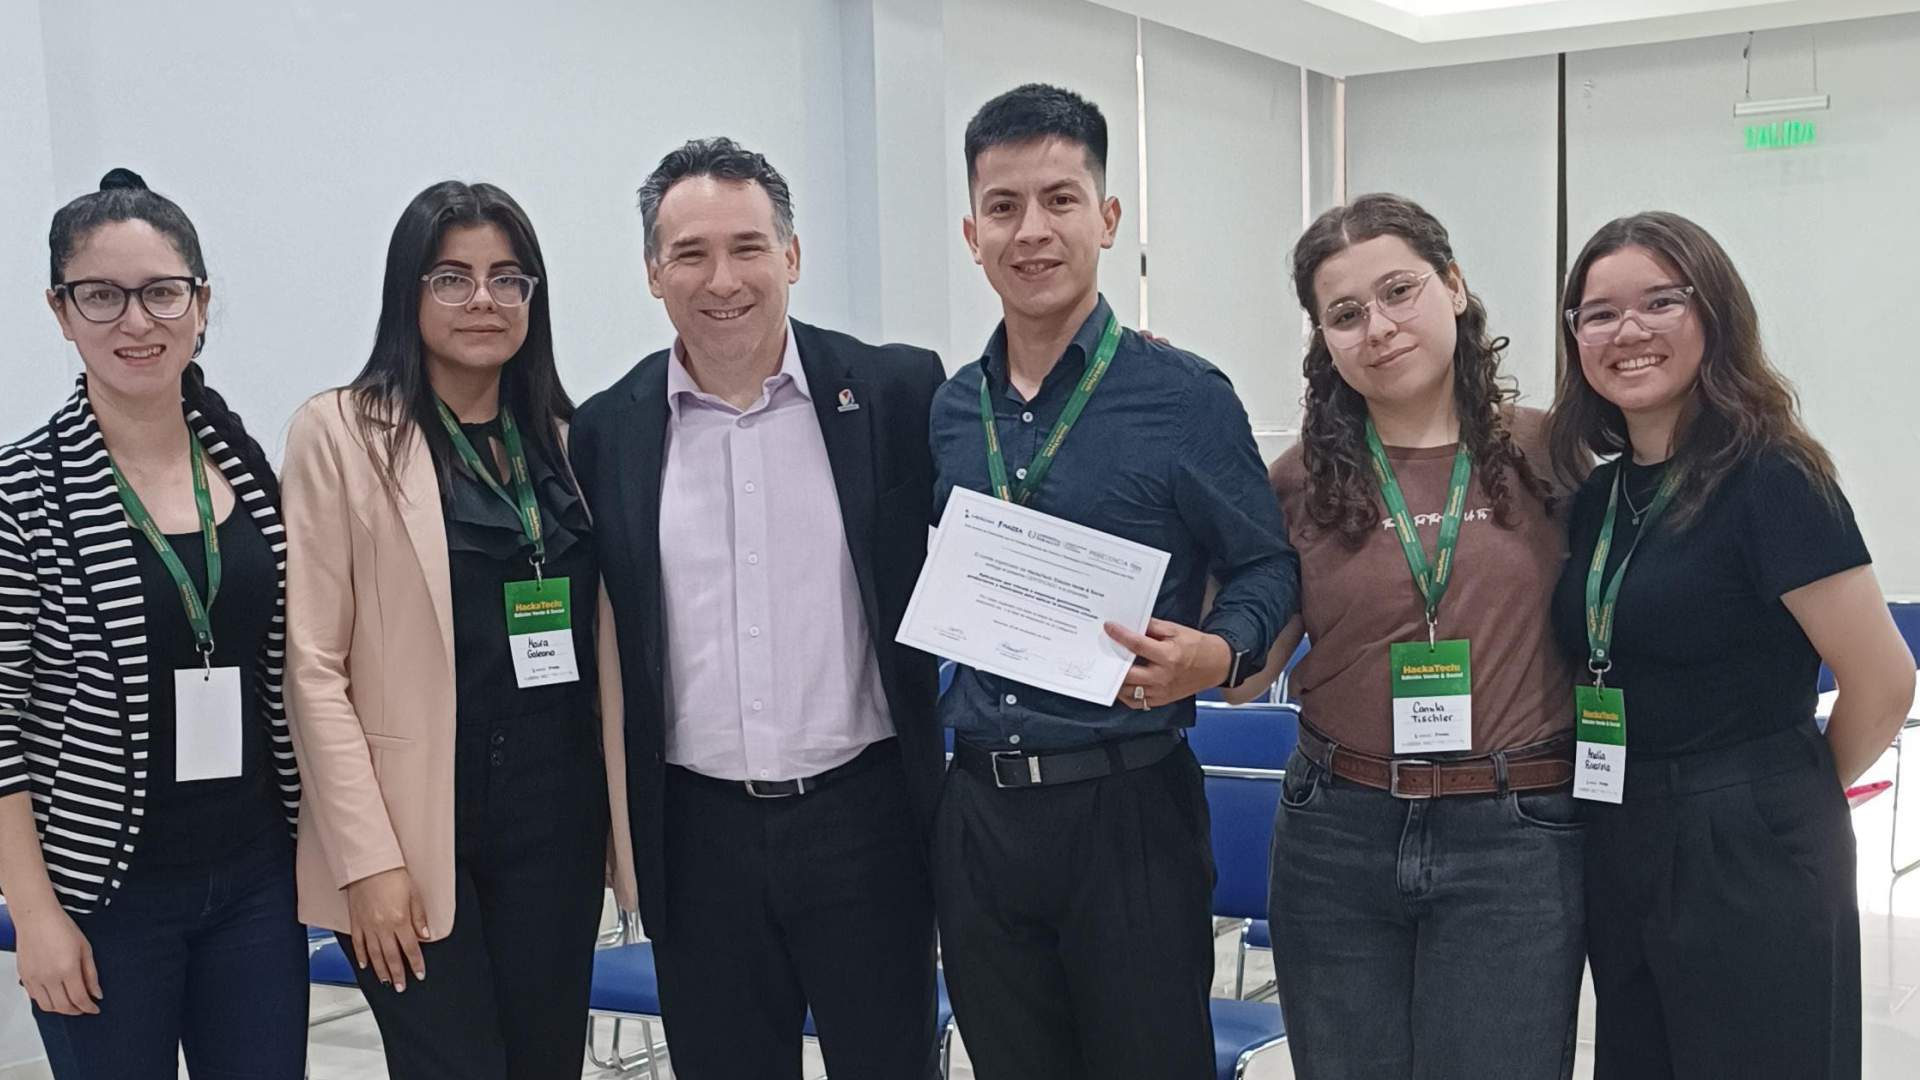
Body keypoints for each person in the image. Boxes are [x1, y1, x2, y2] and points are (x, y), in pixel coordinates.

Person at [927, 83, 1298, 1080]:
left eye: (1059, 199)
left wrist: (1219, 653)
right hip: (981, 810)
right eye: (1003, 207)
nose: (1031, 230)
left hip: (1127, 806)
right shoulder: (952, 410)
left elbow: (1267, 563)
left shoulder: (1183, 397)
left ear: (1108, 218)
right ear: (972, 231)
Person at [571, 137, 946, 1080]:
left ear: (792, 255)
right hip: (697, 840)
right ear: (653, 272)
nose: (721, 278)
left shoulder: (898, 392)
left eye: (747, 246)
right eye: (689, 253)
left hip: (867, 821)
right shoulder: (607, 431)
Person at [1547, 210, 1914, 1079]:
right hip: (1618, 817)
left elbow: (1884, 680)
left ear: (1714, 315)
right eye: (1598, 313)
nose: (1627, 331)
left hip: (1748, 833)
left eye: (1659, 302)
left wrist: (1778, 797)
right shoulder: (1601, 497)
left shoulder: (1772, 477)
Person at [1226, 193, 1583, 1079]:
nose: (1377, 328)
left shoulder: (1553, 455)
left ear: (1454, 287)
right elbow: (1242, 674)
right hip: (1337, 832)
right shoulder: (1300, 481)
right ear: (1323, 339)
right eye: (1345, 314)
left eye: (1399, 292)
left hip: (1517, 833)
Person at [281, 180, 611, 1079]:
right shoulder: (342, 434)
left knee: (546, 1062)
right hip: (416, 813)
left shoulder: (569, 440)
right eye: (452, 277)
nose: (484, 301)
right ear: (408, 294)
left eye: (509, 279)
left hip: (559, 807)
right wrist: (367, 861)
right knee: (453, 1064)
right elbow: (311, 666)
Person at [0, 169, 306, 1078]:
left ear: (200, 303)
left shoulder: (248, 470)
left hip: (256, 876)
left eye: (161, 292)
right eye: (101, 296)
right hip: (102, 892)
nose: (136, 322)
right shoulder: (21, 492)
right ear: (60, 311)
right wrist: (34, 914)